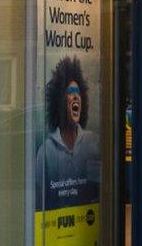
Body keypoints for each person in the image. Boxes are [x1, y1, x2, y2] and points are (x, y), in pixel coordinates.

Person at [36, 56, 100, 209]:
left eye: (78, 92)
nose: (76, 96)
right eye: (70, 92)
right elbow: (40, 201)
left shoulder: (94, 142)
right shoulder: (46, 152)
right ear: (60, 102)